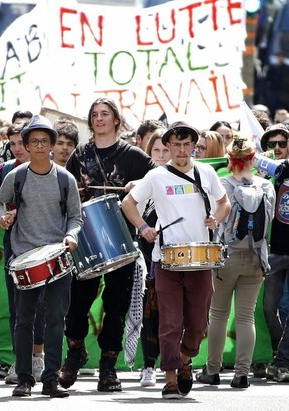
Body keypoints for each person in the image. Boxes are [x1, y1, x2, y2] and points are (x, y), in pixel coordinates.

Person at [121, 120, 230, 399]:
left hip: (201, 257)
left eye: (186, 144)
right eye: (176, 144)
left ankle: (184, 358)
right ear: (166, 147)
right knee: (169, 321)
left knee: (197, 323)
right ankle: (170, 378)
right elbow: (128, 203)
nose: (181, 150)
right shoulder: (156, 177)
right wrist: (144, 228)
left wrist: (215, 218)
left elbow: (224, 203)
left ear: (193, 146)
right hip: (166, 258)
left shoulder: (206, 172)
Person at [59, 97, 156, 392]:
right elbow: (66, 192)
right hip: (86, 240)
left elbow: (156, 180)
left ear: (116, 119)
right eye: (95, 115)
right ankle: (75, 351)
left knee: (116, 308)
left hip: (123, 241)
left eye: (105, 114)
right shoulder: (80, 154)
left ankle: (108, 368)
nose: (99, 119)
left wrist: (139, 183)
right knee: (76, 307)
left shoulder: (134, 155)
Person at [0, 114, 82, 398]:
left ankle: (50, 378)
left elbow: (76, 218)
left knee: (56, 319)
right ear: (26, 146)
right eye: (34, 141)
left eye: (44, 141)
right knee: (23, 319)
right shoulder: (15, 176)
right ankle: (24, 378)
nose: (40, 146)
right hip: (24, 255)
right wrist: (1, 216)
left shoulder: (66, 179)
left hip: (57, 258)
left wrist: (71, 235)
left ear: (52, 145)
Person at [195, 135, 275, 389]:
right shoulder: (266, 186)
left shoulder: (223, 184)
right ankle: (242, 374)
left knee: (218, 315)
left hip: (226, 257)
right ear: (253, 159)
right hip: (256, 258)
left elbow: (213, 218)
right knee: (246, 317)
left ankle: (213, 369)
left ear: (230, 160)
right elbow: (269, 220)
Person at [0, 122, 46, 384]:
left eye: (23, 142)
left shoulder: (50, 171)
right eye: (14, 144)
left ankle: (39, 359)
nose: (19, 148)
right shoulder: (3, 171)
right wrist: (2, 216)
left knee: (42, 305)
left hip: (44, 245)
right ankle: (20, 363)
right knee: (16, 306)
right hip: (14, 244)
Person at [137, 126, 169, 387]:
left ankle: (179, 362)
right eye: (156, 150)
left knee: (175, 315)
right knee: (149, 314)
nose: (161, 155)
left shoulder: (185, 180)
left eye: (165, 150)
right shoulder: (143, 181)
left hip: (175, 257)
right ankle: (149, 365)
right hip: (147, 260)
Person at [259, 123, 289, 379]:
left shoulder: (281, 168)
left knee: (288, 307)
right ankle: (280, 353)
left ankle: (283, 360)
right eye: (272, 144)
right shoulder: (265, 177)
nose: (277, 148)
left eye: (282, 143)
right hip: (274, 250)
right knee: (269, 307)